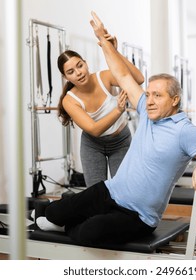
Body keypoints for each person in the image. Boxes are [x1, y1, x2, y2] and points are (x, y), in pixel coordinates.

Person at [36, 12, 196, 247]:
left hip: (138, 215)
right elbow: (124, 75)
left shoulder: (184, 131)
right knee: (54, 211)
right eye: (148, 94)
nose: (149, 100)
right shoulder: (147, 112)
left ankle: (70, 225)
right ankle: (59, 218)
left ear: (175, 100)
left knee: (89, 231)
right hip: (110, 191)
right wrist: (103, 40)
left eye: (158, 95)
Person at [57, 45, 144, 187]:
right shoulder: (69, 100)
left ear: (86, 63)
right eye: (71, 72)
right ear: (65, 77)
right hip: (92, 145)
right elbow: (94, 129)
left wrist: (114, 51)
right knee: (95, 195)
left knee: (125, 189)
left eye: (80, 66)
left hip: (121, 141)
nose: (78, 73)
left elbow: (138, 78)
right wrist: (118, 110)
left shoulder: (104, 77)